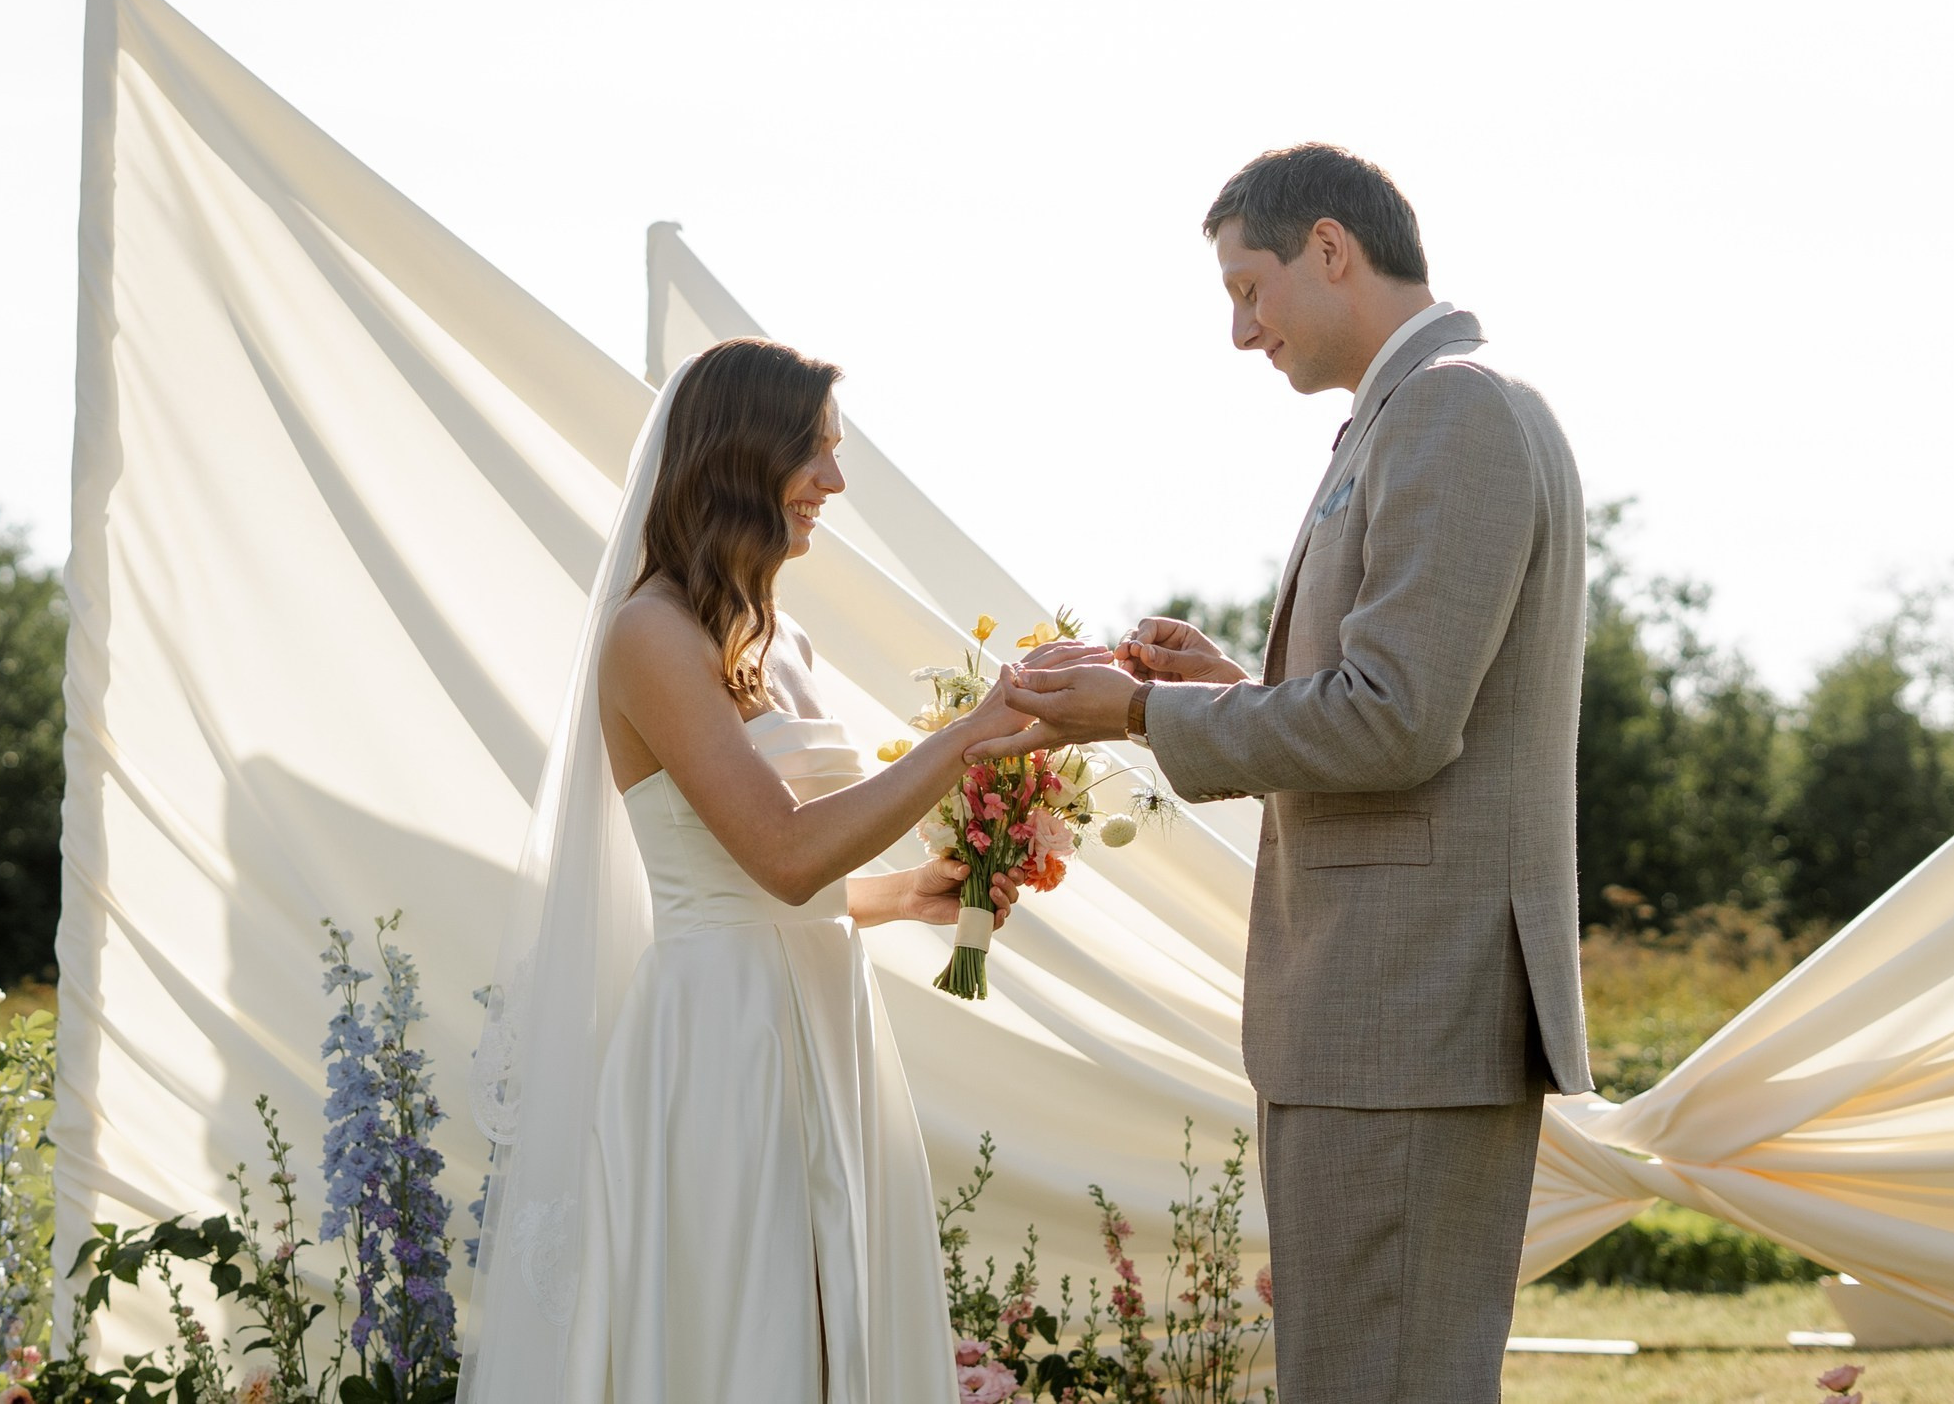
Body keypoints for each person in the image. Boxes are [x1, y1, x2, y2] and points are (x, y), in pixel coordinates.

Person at [973, 144, 1593, 1404]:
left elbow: (1396, 723)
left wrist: (1141, 712)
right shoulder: (1415, 409)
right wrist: (1221, 688)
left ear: (1329, 248)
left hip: (1403, 1006)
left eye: (1247, 289)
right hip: (1387, 1011)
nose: (1242, 331)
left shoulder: (1452, 410)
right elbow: (1392, 704)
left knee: (1380, 1380)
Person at [461, 337, 1033, 1404]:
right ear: (738, 456)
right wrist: (969, 733)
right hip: (721, 1041)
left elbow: (783, 875)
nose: (834, 481)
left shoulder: (784, 641)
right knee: (745, 1340)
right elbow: (779, 854)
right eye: (813, 451)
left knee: (833, 1328)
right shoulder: (651, 634)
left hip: (827, 1015)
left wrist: (903, 893)